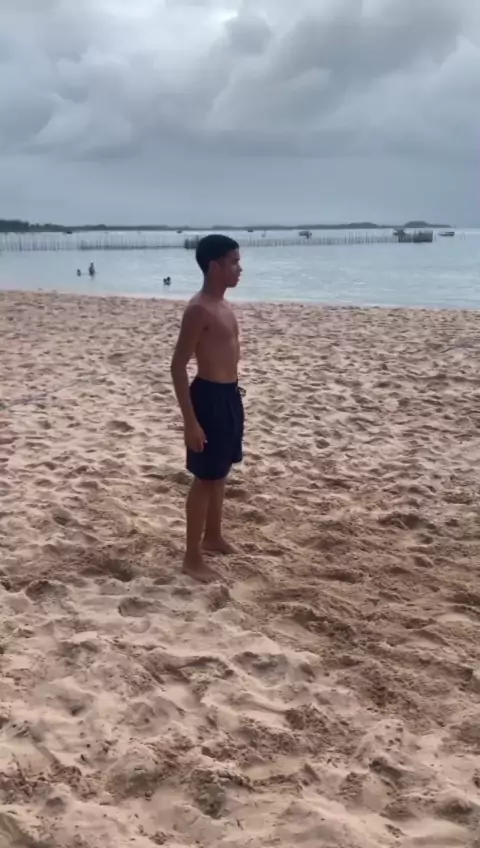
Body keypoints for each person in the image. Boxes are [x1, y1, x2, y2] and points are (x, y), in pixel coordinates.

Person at [171, 234, 243, 583]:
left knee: (221, 471)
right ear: (214, 266)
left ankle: (213, 536)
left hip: (230, 395)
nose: (239, 268)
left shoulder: (224, 305)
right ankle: (192, 557)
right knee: (204, 479)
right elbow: (177, 366)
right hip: (209, 398)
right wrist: (190, 422)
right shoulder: (198, 309)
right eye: (233, 262)